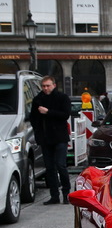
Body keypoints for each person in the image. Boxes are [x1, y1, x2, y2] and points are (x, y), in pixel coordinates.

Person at [30, 75, 72, 205]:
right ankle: (54, 195)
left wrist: (48, 112)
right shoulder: (38, 99)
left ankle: (66, 193)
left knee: (61, 165)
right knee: (49, 168)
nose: (46, 88)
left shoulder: (62, 98)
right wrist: (38, 133)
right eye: (43, 86)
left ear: (54, 85)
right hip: (45, 138)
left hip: (60, 137)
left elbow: (65, 115)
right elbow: (33, 118)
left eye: (48, 86)